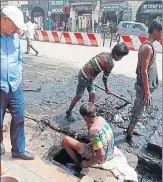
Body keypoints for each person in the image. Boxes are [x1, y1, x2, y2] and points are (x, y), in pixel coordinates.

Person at [1, 6, 35, 160]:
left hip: (15, 86)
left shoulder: (15, 38)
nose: (17, 29)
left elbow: (19, 59)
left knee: (19, 118)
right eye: (15, 25)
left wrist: (19, 75)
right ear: (4, 20)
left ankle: (18, 150)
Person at [66, 43, 129, 121]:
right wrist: (106, 88)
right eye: (121, 56)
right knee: (79, 95)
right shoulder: (110, 64)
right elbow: (104, 78)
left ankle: (89, 114)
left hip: (89, 76)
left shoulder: (104, 53)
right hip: (84, 76)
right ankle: (69, 111)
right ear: (116, 54)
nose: (120, 59)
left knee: (92, 94)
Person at [126, 19, 162, 147]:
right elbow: (144, 72)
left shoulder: (150, 45)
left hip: (145, 86)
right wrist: (147, 92)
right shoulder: (147, 48)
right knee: (138, 110)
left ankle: (131, 129)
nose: (162, 34)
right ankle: (128, 135)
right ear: (155, 31)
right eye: (161, 32)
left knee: (139, 109)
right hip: (143, 87)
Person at [63, 102, 114, 169]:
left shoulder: (93, 131)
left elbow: (101, 154)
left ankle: (77, 164)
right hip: (110, 154)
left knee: (65, 140)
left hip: (102, 158)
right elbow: (103, 138)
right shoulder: (101, 119)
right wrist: (92, 143)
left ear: (85, 117)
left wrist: (88, 163)